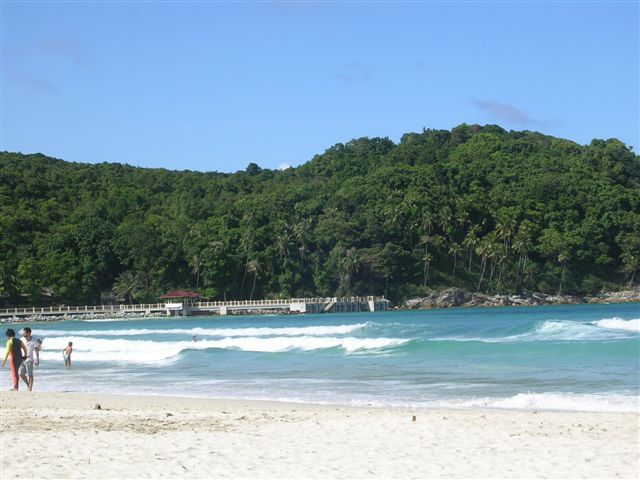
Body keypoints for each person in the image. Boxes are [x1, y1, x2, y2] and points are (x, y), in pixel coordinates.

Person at [19, 327, 39, 392]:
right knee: (21, 374)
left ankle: (30, 389)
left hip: (29, 360)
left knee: (30, 375)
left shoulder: (34, 340)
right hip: (22, 360)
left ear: (29, 333)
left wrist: (37, 359)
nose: (23, 334)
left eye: (24, 332)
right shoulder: (21, 339)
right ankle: (28, 385)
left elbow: (36, 351)